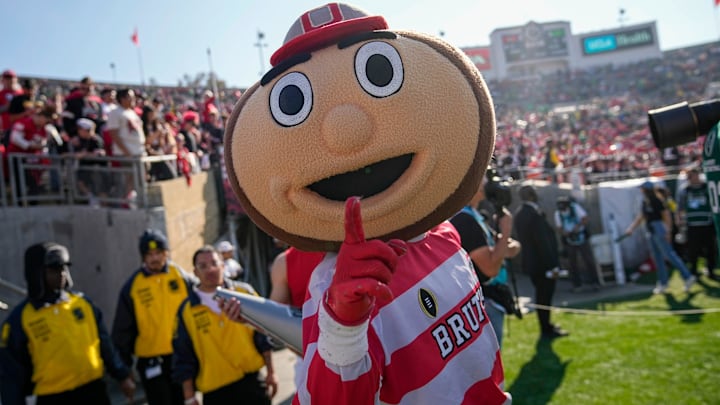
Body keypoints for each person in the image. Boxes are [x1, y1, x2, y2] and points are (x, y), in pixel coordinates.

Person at [0, 242, 135, 405]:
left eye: (64, 267)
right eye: (54, 269)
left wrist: (122, 375)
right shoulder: (19, 320)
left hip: (93, 391)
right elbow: (11, 376)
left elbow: (105, 345)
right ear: (37, 274)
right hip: (53, 397)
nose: (62, 273)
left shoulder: (82, 304)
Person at [172, 246, 278, 405]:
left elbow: (263, 335)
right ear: (195, 272)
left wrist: (271, 372)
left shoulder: (244, 292)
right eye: (203, 266)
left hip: (251, 383)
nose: (210, 269)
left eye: (214, 263)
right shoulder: (186, 310)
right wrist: (189, 396)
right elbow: (183, 354)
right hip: (215, 392)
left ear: (223, 265)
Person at [111, 229, 194, 405]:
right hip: (151, 361)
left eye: (158, 253)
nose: (154, 258)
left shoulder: (180, 276)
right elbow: (122, 329)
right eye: (149, 254)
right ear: (143, 257)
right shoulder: (132, 286)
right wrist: (124, 368)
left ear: (166, 254)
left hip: (181, 357)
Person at [450, 175, 521, 347]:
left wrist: (502, 244)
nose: (489, 183)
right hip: (485, 301)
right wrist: (506, 231)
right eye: (484, 177)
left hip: (488, 299)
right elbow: (490, 268)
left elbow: (513, 249)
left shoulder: (474, 215)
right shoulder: (464, 220)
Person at [513, 184, 569, 339]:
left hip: (533, 264)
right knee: (544, 296)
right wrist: (553, 266)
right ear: (531, 195)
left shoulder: (520, 213)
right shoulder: (533, 214)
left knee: (542, 296)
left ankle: (547, 325)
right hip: (542, 265)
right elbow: (543, 242)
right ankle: (546, 329)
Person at [622, 181, 696, 294]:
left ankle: (687, 277)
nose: (641, 190)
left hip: (659, 228)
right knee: (657, 258)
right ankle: (663, 283)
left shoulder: (657, 200)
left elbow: (666, 216)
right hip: (650, 229)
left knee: (669, 255)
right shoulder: (645, 201)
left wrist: (668, 232)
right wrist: (631, 228)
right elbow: (641, 216)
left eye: (642, 189)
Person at [553, 196, 601, 292]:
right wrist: (565, 233)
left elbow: (585, 218)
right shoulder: (558, 214)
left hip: (581, 236)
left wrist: (577, 227)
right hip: (569, 239)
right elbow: (559, 228)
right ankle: (577, 285)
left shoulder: (575, 208)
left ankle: (595, 282)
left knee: (588, 260)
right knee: (572, 263)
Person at [678, 168, 718, 280]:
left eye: (693, 175)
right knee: (693, 250)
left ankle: (710, 270)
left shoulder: (706, 187)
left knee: (711, 249)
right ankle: (694, 272)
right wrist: (680, 223)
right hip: (692, 225)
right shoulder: (685, 190)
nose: (691, 178)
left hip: (707, 223)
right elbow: (680, 208)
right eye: (689, 176)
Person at [106, 88, 145, 203]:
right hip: (126, 154)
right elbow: (113, 134)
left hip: (137, 152)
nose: (133, 99)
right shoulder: (115, 112)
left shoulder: (132, 112)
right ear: (122, 99)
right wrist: (127, 152)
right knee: (126, 182)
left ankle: (134, 202)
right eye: (130, 96)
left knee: (138, 181)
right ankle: (124, 204)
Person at [72, 118, 107, 206]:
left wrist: (85, 154)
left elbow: (98, 154)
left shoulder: (96, 140)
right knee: (81, 183)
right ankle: (92, 198)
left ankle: (103, 205)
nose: (79, 132)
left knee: (100, 188)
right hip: (85, 169)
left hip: (97, 169)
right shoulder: (79, 140)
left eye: (81, 129)